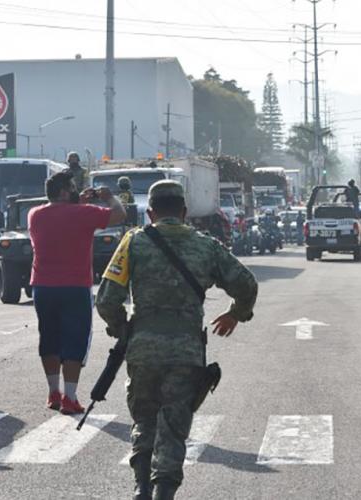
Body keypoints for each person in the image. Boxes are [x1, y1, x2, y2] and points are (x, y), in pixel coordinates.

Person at [96, 180, 258, 500]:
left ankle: (142, 486)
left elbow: (106, 300)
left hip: (142, 348)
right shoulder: (206, 246)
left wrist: (120, 327)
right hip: (186, 352)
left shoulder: (133, 242)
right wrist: (235, 314)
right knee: (174, 425)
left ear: (151, 212)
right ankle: (164, 493)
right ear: (184, 212)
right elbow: (246, 284)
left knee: (144, 418)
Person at [29, 172, 126, 415]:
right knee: (75, 340)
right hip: (75, 286)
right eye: (72, 188)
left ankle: (53, 393)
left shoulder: (35, 214)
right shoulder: (84, 213)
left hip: (42, 286)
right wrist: (110, 197)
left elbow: (63, 217)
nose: (75, 191)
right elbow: (120, 215)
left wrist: (78, 203)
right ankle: (69, 397)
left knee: (48, 338)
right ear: (63, 191)